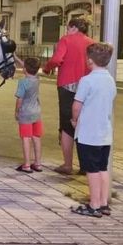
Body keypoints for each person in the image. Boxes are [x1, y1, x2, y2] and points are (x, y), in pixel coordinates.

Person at [70, 42, 116, 218]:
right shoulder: (110, 80)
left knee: (92, 170)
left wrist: (74, 120)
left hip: (89, 134)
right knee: (103, 168)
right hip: (105, 133)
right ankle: (103, 203)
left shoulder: (87, 80)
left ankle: (94, 205)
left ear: (89, 60)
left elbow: (77, 105)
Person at [43, 17, 94, 175]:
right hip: (87, 86)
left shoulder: (66, 40)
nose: (66, 31)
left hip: (67, 86)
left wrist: (47, 68)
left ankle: (67, 164)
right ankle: (85, 166)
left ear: (74, 28)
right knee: (83, 124)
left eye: (68, 28)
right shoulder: (92, 42)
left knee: (67, 125)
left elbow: (57, 59)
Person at [14, 57, 43, 173]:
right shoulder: (37, 79)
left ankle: (26, 164)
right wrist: (16, 57)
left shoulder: (23, 82)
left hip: (25, 114)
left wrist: (16, 111)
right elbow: (30, 67)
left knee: (26, 138)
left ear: (24, 69)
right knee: (36, 137)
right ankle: (38, 163)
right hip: (36, 113)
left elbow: (19, 99)